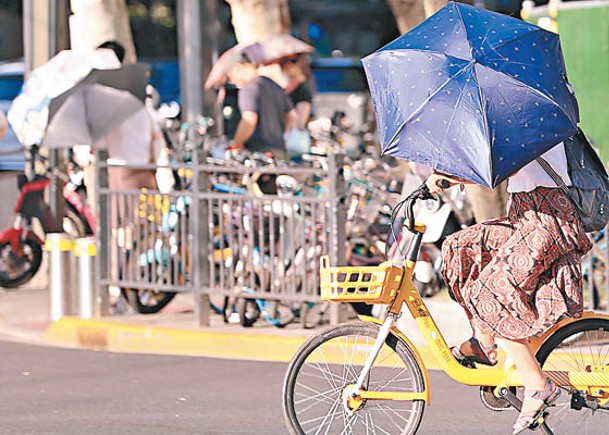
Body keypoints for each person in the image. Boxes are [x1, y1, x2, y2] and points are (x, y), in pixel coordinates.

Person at [425, 142, 592, 434]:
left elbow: (506, 165)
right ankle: (484, 341)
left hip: (551, 218)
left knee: (490, 292)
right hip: (524, 214)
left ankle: (539, 386)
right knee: (458, 247)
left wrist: (454, 177)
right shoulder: (514, 112)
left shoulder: (536, 113)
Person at [227, 55, 297, 159]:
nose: (232, 81)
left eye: (230, 76)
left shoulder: (248, 89)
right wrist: (284, 136)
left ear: (237, 68)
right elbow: (292, 115)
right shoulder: (273, 85)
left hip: (259, 152)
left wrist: (237, 143)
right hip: (280, 149)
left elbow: (250, 119)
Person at [282, 55, 314, 130]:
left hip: (295, 133)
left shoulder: (303, 88)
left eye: (292, 62)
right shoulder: (284, 85)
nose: (287, 66)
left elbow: (301, 121)